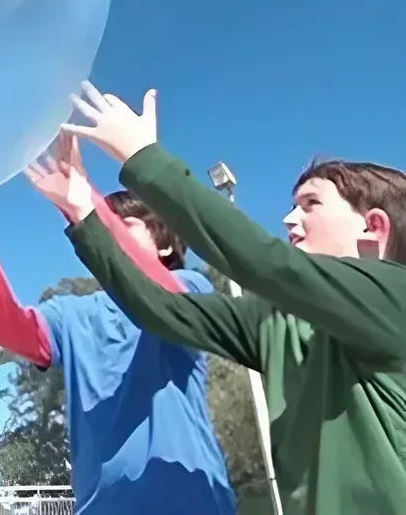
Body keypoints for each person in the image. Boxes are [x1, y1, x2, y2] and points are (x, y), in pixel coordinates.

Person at [58, 81, 406, 515]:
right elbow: (164, 309)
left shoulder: (396, 298)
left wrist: (143, 158)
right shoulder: (280, 325)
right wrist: (84, 217)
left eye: (310, 204)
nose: (289, 218)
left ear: (373, 227)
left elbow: (265, 262)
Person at [0, 142, 235, 515]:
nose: (108, 232)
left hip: (193, 503)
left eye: (123, 225)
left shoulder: (191, 285)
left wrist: (83, 205)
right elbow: (7, 327)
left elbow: (165, 297)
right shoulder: (71, 315)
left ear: (164, 247)